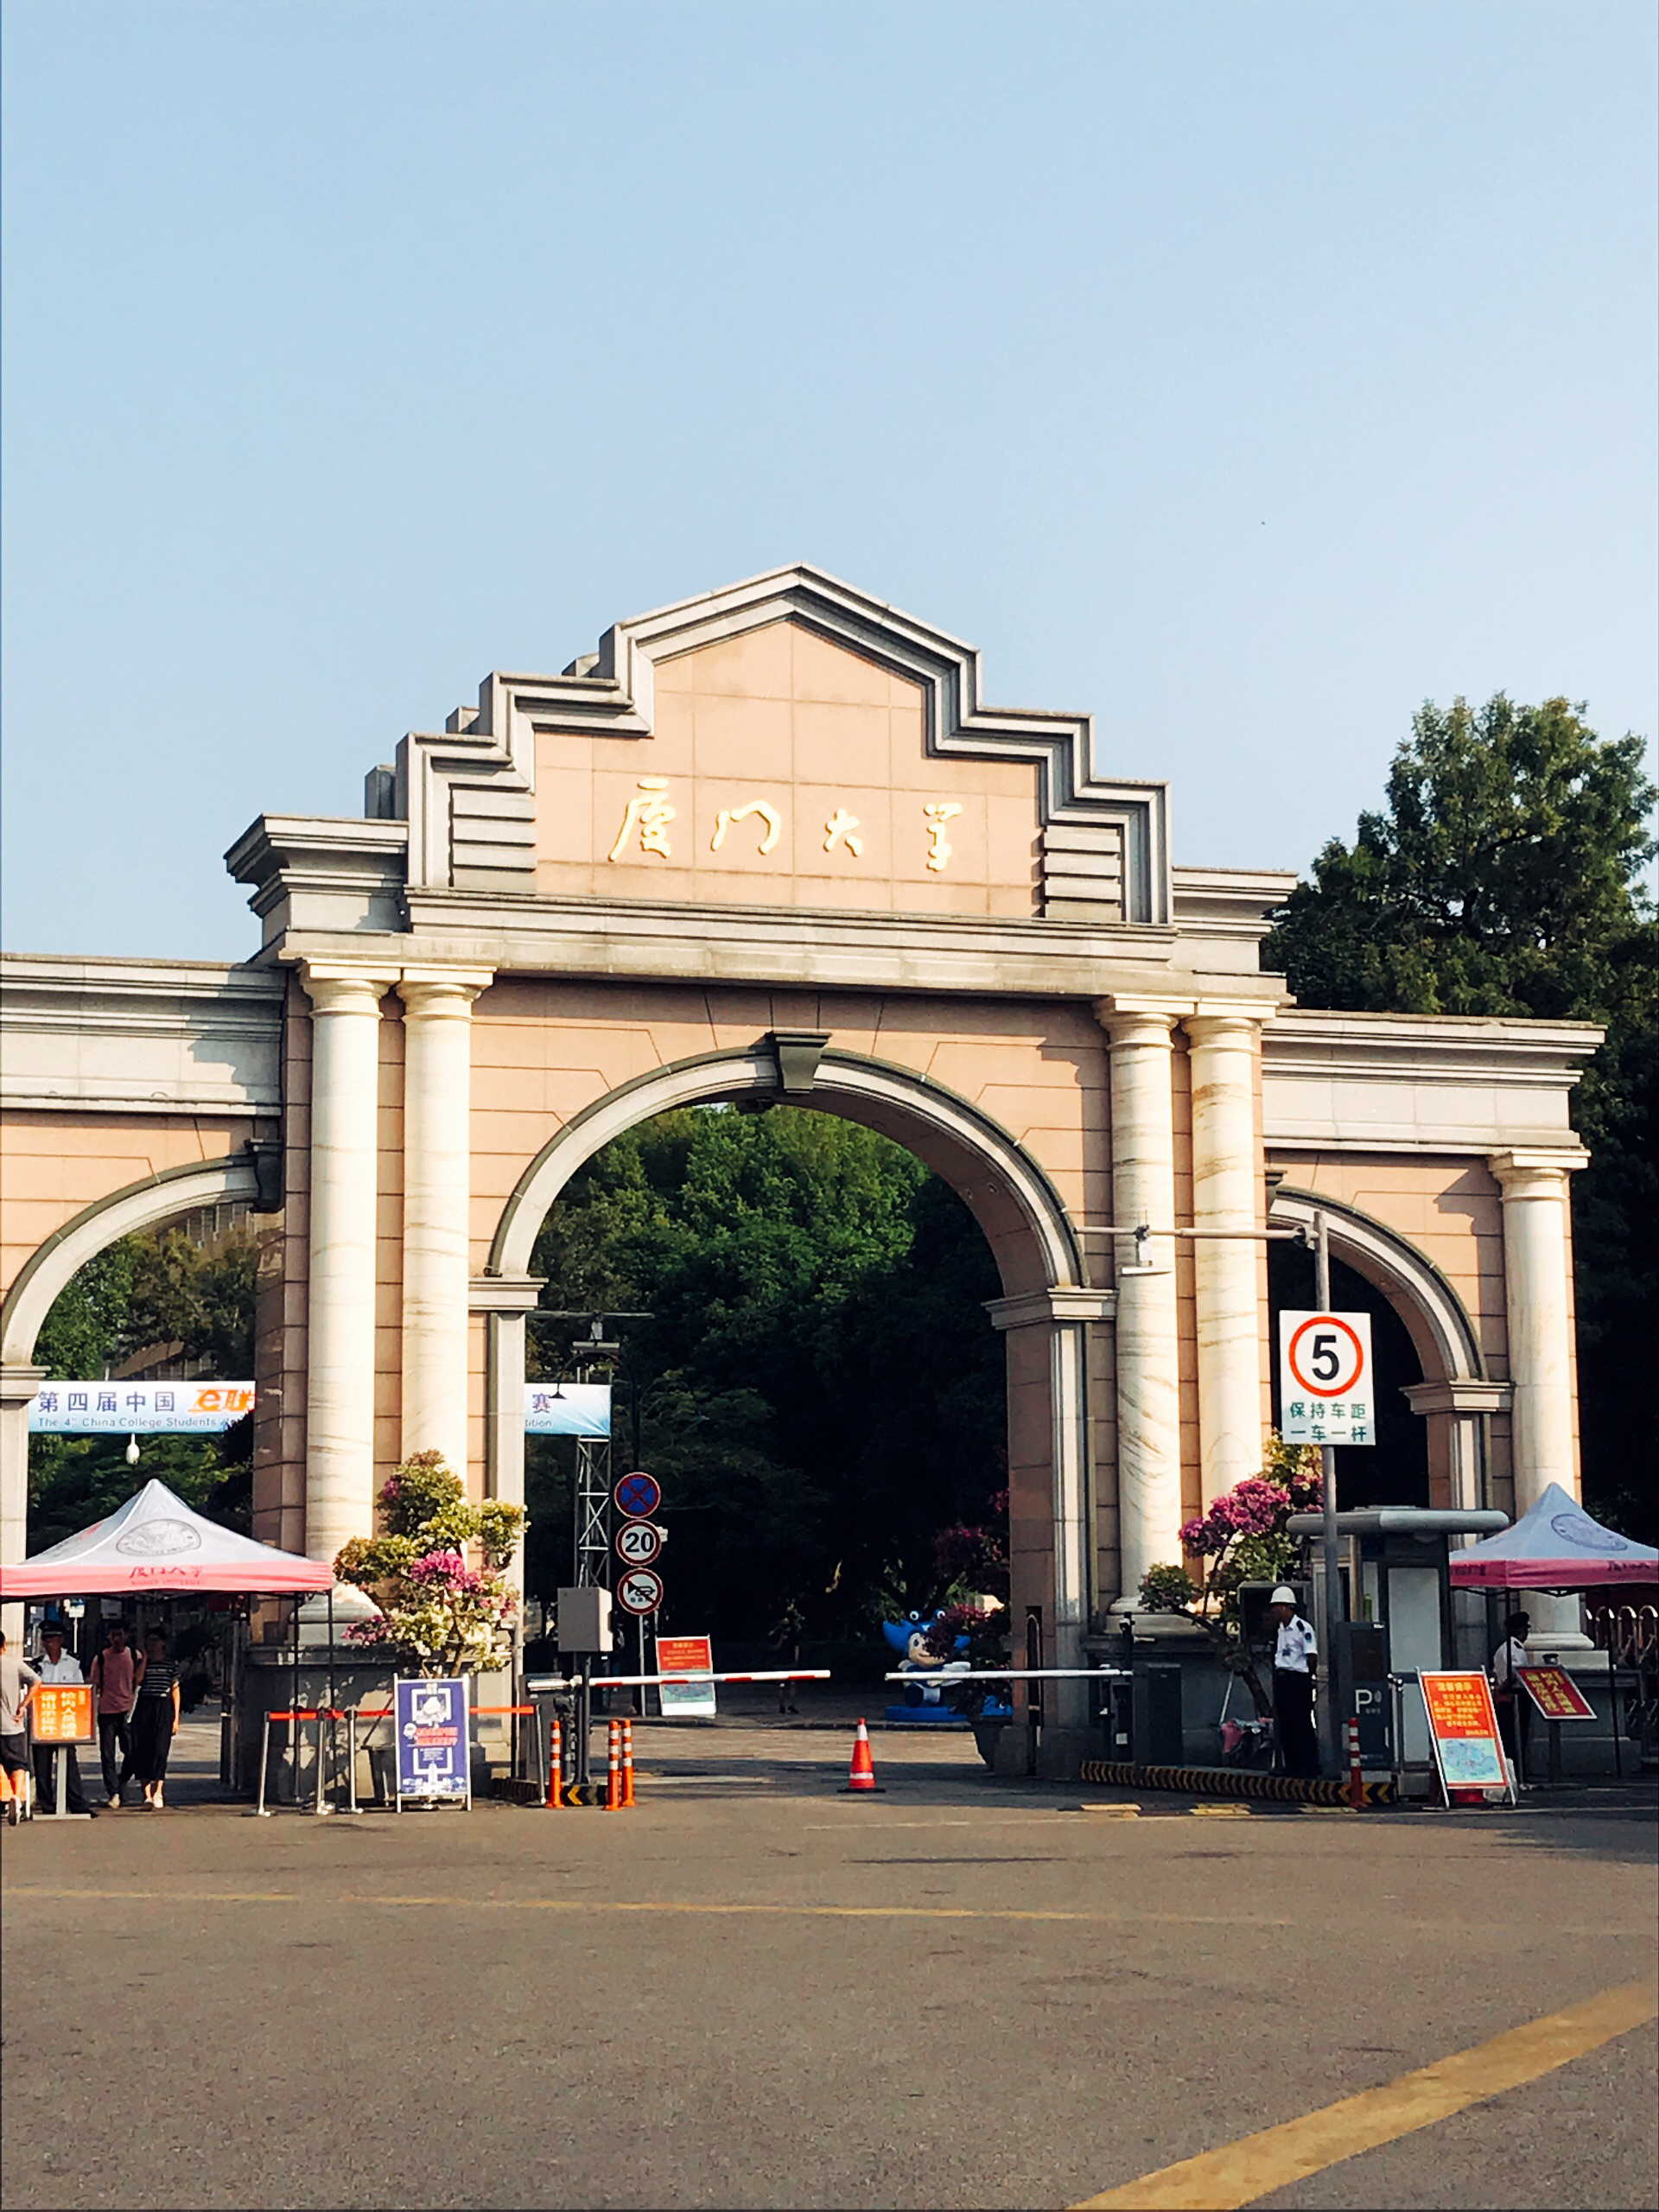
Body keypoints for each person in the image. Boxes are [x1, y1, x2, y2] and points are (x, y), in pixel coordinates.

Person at [31, 1624, 98, 1817]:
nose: (51, 1644)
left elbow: (79, 1689)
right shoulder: (38, 1664)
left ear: (61, 1640)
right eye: (47, 1641)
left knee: (69, 1763)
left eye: (54, 1640)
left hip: (66, 1718)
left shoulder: (72, 1662)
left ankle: (77, 1803)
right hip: (44, 1720)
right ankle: (47, 1804)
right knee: (42, 1764)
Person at [1268, 1585, 1321, 1778]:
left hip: (1298, 1679)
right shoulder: (1280, 1629)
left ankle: (1308, 1766)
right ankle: (1292, 1766)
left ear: (1287, 1606)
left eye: (1278, 1606)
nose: (1275, 1610)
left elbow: (1311, 1655)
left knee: (1301, 1723)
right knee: (1285, 1724)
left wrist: (1309, 1677)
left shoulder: (1302, 1628)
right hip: (1282, 1678)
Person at [130, 1627, 181, 1810]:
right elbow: (138, 1680)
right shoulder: (143, 1663)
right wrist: (144, 1659)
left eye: (155, 1640)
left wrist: (176, 1718)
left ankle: (158, 1789)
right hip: (144, 1706)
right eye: (149, 1641)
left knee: (160, 1750)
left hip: (163, 1706)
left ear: (163, 1643)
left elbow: (175, 1690)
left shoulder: (170, 1664)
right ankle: (146, 1793)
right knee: (142, 1749)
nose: (152, 1644)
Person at [91, 1621, 139, 1807]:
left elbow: (139, 1679)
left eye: (120, 1634)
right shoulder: (101, 1658)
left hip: (127, 1709)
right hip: (106, 1710)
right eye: (113, 1635)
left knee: (132, 1751)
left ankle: (122, 1780)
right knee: (107, 1754)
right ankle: (113, 1792)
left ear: (126, 1636)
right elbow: (93, 1684)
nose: (117, 1639)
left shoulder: (135, 1656)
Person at [0, 1631, 41, 1825]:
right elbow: (36, 1681)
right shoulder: (14, 1664)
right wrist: (24, 1705)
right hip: (12, 1725)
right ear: (3, 1646)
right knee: (18, 1764)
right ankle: (17, 1796)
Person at [1491, 1608, 1532, 1777]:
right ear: (1521, 1632)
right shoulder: (1512, 1649)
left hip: (1509, 1696)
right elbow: (1514, 1674)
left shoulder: (1507, 1648)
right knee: (1514, 1737)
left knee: (1512, 1736)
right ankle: (1515, 1771)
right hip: (1512, 1697)